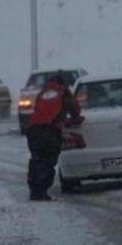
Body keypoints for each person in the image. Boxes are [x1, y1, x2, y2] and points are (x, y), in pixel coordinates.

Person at [25, 73, 82, 201]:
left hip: (33, 130)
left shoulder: (42, 94)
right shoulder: (64, 93)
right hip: (49, 130)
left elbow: (43, 111)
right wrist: (74, 119)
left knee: (36, 159)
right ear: (62, 84)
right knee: (48, 161)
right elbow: (75, 111)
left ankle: (34, 190)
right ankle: (41, 191)